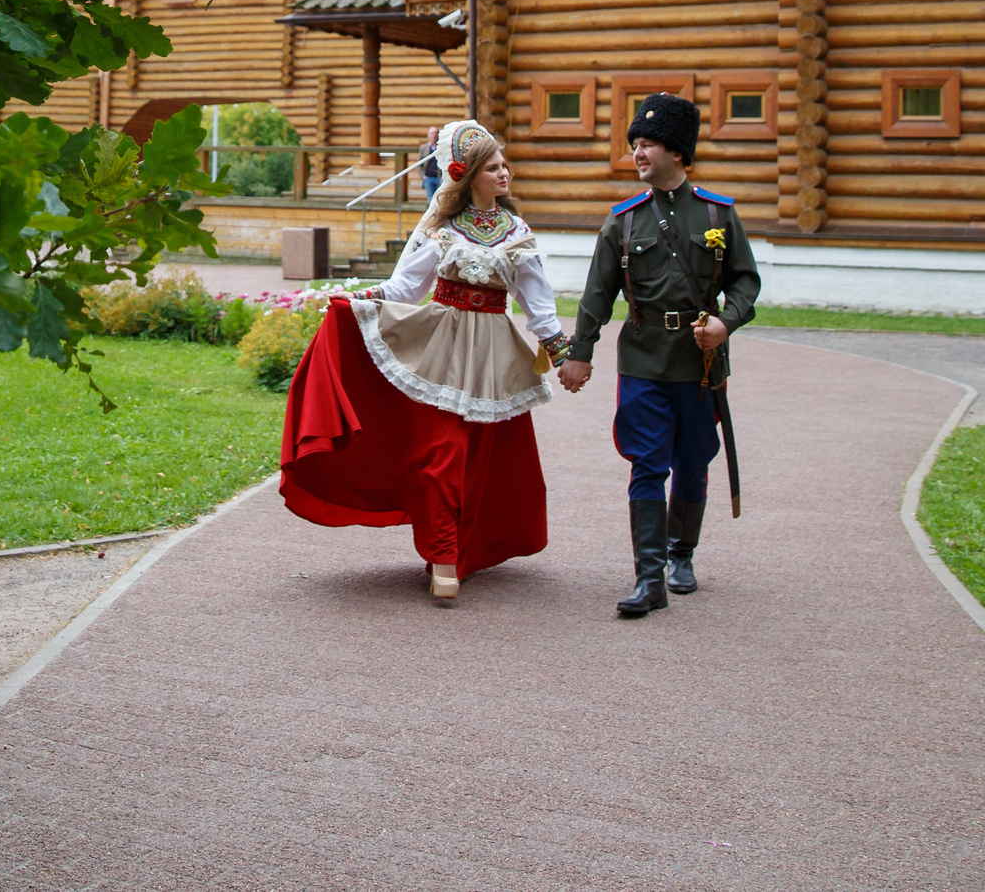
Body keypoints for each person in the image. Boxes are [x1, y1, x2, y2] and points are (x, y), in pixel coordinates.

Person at [279, 119, 575, 604]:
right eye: (494, 167)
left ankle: (464, 550)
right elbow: (404, 289)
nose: (506, 174)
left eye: (505, 165)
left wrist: (562, 355)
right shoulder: (442, 229)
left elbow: (537, 303)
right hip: (442, 347)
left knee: (486, 460)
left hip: (495, 358)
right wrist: (354, 300)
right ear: (470, 174)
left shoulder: (517, 232)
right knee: (441, 456)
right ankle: (442, 555)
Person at [558, 91, 759, 618]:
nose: (638, 154)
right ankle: (649, 580)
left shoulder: (719, 213)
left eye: (648, 144)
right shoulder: (623, 222)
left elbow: (746, 283)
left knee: (693, 461)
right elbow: (597, 294)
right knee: (646, 463)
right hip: (643, 359)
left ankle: (680, 553)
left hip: (700, 363)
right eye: (635, 145)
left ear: (677, 152)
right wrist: (579, 354)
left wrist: (725, 321)